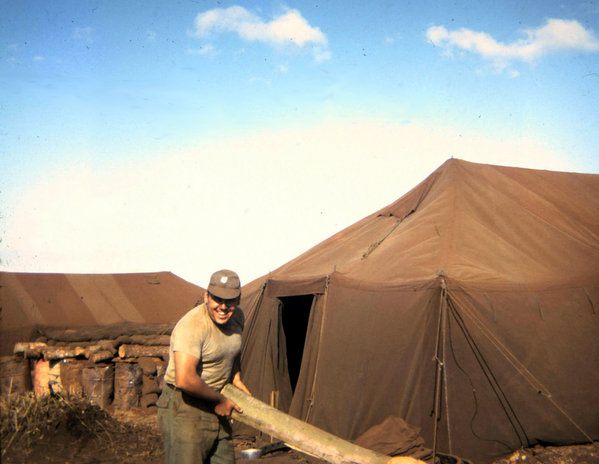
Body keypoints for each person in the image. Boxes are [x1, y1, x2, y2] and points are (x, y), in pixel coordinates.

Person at [157, 269, 250, 464]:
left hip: (216, 401)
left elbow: (233, 348)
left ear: (239, 300)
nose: (223, 307)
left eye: (230, 300)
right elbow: (185, 379)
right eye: (217, 299)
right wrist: (220, 400)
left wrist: (236, 377)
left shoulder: (237, 317)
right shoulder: (192, 326)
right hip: (185, 406)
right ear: (206, 296)